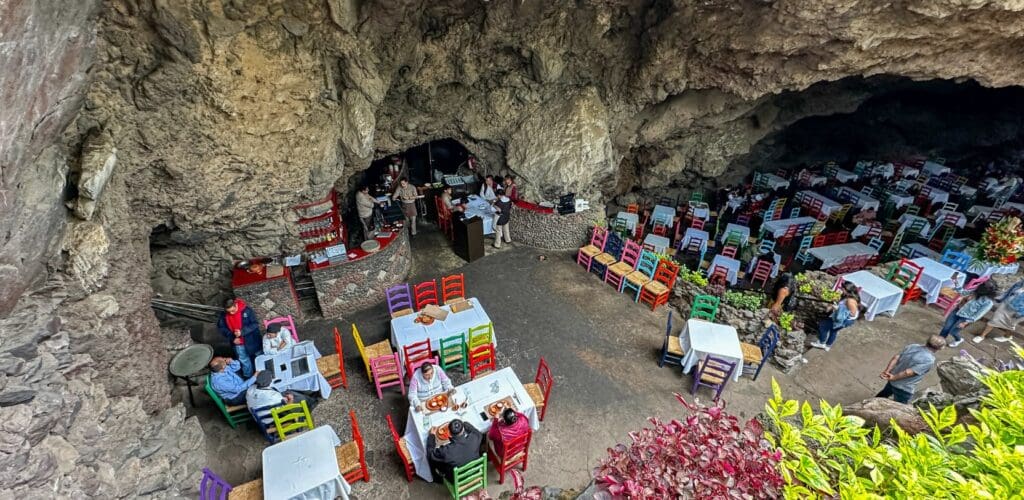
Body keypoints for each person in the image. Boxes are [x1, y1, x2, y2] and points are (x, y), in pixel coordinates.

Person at [876, 336, 945, 404]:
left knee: (883, 394)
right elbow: (908, 372)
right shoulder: (929, 360)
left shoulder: (913, 346)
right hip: (904, 387)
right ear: (939, 348)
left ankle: (871, 403)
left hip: (892, 380)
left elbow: (896, 357)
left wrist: (887, 371)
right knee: (900, 405)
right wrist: (894, 378)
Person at [939, 282, 996, 347]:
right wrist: (956, 283)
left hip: (965, 318)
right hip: (957, 311)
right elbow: (963, 292)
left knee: (953, 331)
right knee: (946, 328)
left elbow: (978, 315)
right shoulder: (975, 292)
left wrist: (966, 322)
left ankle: (958, 339)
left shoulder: (988, 302)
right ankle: (939, 342)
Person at [217, 297, 262, 378]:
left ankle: (264, 374)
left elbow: (255, 324)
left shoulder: (247, 311)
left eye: (232, 310)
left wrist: (242, 332)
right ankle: (249, 377)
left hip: (252, 340)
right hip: (238, 342)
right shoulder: (224, 315)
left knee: (259, 356)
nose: (231, 313)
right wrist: (232, 337)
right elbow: (221, 328)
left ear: (235, 305)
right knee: (244, 360)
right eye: (228, 311)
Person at [427, 419, 484, 483]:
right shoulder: (474, 438)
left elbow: (430, 453)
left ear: (450, 434)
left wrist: (432, 436)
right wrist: (464, 424)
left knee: (434, 460)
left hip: (457, 480)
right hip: (475, 470)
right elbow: (478, 434)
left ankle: (437, 479)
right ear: (463, 430)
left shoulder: (446, 451)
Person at [810, 282, 861, 351]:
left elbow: (853, 314)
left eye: (843, 289)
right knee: (833, 330)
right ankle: (828, 346)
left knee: (823, 326)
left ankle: (821, 343)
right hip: (843, 318)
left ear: (847, 290)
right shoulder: (848, 296)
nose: (841, 290)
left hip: (844, 320)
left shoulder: (850, 301)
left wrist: (838, 309)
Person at [974, 279, 1024, 343]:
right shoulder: (1020, 282)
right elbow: (1009, 291)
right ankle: (982, 336)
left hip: (1018, 311)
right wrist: (1001, 298)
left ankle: (1007, 336)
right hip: (1006, 304)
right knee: (994, 319)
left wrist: (1021, 313)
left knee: (1010, 325)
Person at [245, 371, 316, 414]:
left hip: (260, 414)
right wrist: (290, 399)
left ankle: (310, 397)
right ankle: (311, 402)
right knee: (299, 398)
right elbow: (287, 408)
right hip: (274, 417)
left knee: (288, 391)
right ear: (270, 382)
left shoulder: (250, 390)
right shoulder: (274, 396)